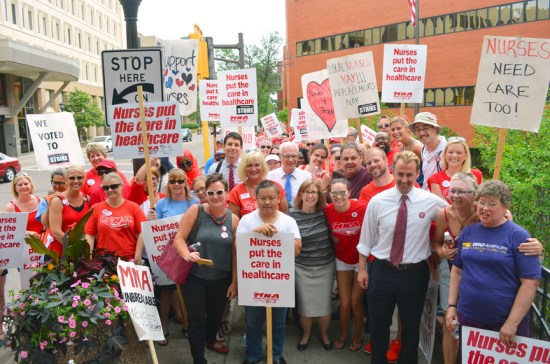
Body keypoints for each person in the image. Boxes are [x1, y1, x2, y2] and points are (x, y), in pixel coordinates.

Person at [434, 174, 543, 364]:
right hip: (470, 317)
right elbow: (457, 271)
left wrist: (511, 323)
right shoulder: (469, 231)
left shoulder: (518, 236)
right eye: (481, 202)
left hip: (504, 323)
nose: (485, 208)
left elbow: (530, 283)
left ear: (505, 207)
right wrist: (452, 306)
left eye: (492, 204)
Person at [357, 151, 448, 364]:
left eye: (409, 174)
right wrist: (362, 269)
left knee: (411, 325)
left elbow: (455, 214)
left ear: (417, 173)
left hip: (414, 273)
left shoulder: (431, 201)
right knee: (379, 324)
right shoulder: (378, 201)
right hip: (382, 270)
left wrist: (505, 215)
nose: (404, 180)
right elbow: (366, 239)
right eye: (400, 174)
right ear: (393, 172)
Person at [174, 174, 239, 363]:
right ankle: (198, 359)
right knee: (196, 320)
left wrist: (234, 282)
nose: (215, 196)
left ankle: (210, 340)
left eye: (220, 192)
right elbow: (179, 238)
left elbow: (235, 254)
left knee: (215, 316)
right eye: (211, 193)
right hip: (195, 276)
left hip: (221, 278)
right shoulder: (196, 211)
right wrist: (187, 254)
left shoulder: (234, 220)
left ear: (227, 193)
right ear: (205, 194)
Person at [237, 180, 301, 364]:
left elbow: (297, 249)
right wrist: (255, 233)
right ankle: (253, 356)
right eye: (263, 198)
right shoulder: (247, 220)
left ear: (279, 199)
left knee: (279, 323)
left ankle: (276, 355)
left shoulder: (288, 221)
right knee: (254, 322)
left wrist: (279, 236)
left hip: (280, 282)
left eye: (271, 198)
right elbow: (239, 247)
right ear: (255, 199)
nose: (267, 202)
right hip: (254, 282)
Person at [153, 168, 200, 345]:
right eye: (173, 181)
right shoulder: (161, 204)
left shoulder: (194, 202)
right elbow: (154, 230)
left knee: (189, 291)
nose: (177, 184)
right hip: (168, 253)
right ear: (168, 184)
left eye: (180, 181)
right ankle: (164, 327)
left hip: (190, 251)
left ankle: (188, 325)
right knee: (166, 291)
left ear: (186, 183)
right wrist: (151, 219)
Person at [288, 179, 335, 352]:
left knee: (325, 306)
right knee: (305, 306)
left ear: (319, 195)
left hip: (325, 265)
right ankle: (306, 335)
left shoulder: (325, 213)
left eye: (314, 192)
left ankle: (324, 335)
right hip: (301, 267)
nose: (310, 195)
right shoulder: (291, 215)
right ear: (300, 194)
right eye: (306, 192)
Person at [324, 178, 367, 351]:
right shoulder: (327, 211)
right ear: (329, 194)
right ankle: (343, 334)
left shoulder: (362, 208)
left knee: (356, 302)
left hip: (361, 260)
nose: (338, 196)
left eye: (342, 192)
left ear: (349, 192)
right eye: (334, 193)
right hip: (342, 258)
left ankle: (357, 336)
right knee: (344, 302)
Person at [84, 172, 145, 261]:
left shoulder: (133, 207)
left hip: (128, 260)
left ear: (122, 186)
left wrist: (138, 256)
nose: (109, 190)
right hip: (103, 260)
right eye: (105, 187)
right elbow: (89, 235)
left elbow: (142, 232)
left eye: (113, 186)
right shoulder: (96, 208)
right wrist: (88, 259)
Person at [228, 151, 288, 218]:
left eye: (257, 165)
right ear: (243, 168)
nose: (253, 169)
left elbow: (284, 215)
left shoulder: (276, 186)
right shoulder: (236, 192)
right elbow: (234, 221)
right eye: (249, 165)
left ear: (263, 167)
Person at [48, 166, 91, 256]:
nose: (76, 181)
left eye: (79, 177)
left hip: (81, 253)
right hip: (61, 254)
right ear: (66, 180)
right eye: (72, 178)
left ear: (84, 179)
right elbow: (55, 231)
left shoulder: (87, 199)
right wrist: (75, 248)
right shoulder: (57, 201)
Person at [428, 137, 483, 202]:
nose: (454, 156)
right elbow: (442, 205)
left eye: (459, 153)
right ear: (445, 154)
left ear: (466, 156)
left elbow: (480, 201)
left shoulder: (476, 175)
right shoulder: (435, 179)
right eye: (450, 152)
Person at [409, 112, 447, 189]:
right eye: (418, 130)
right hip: (426, 197)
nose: (422, 133)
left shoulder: (448, 150)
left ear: (435, 129)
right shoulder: (423, 150)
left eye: (425, 128)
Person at [267, 142, 311, 207]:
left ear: (298, 156)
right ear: (280, 157)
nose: (290, 160)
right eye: (287, 156)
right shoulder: (270, 177)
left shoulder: (306, 177)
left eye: (294, 156)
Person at [4, 173, 42, 238]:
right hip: (23, 244)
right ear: (15, 188)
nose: (23, 187)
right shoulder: (11, 207)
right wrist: (27, 233)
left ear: (31, 185)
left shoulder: (40, 201)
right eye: (20, 185)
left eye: (26, 184)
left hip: (43, 242)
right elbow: (8, 231)